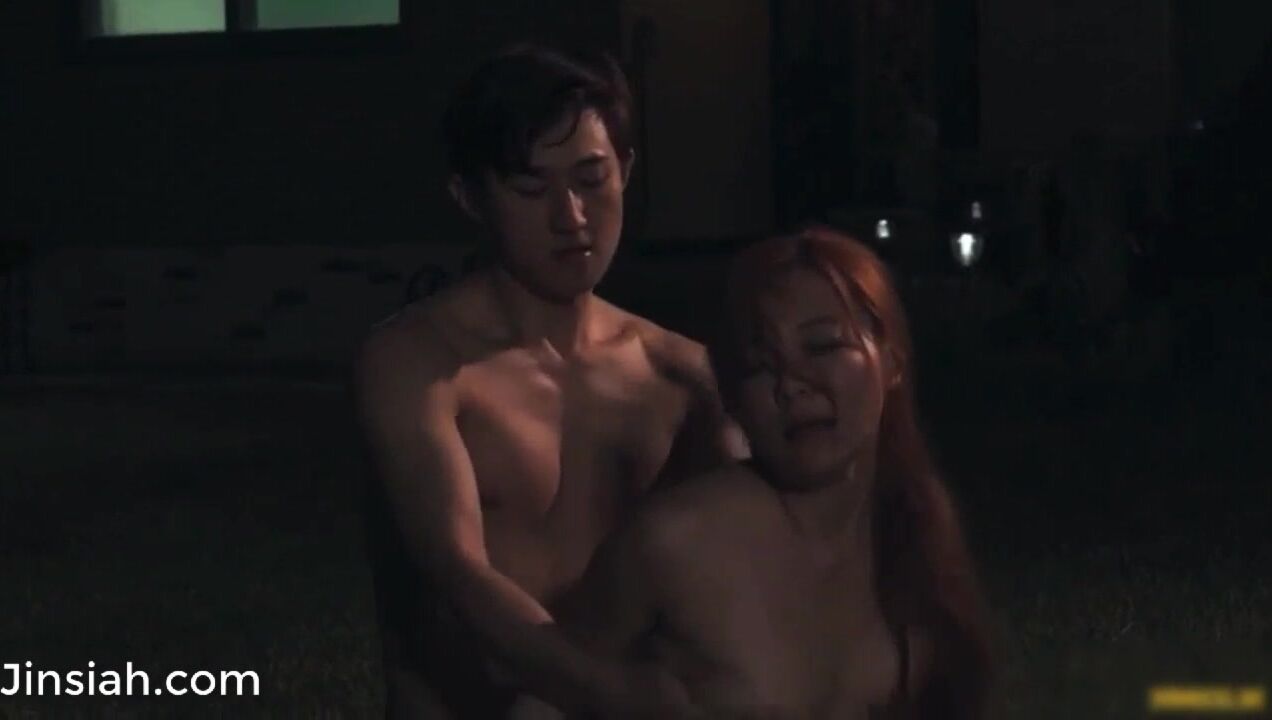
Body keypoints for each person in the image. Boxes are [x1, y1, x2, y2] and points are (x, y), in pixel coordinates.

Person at [354, 45, 744, 718]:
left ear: (625, 171)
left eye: (591, 179)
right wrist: (614, 695)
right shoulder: (417, 364)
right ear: (470, 197)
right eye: (532, 190)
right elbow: (458, 577)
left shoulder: (684, 376)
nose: (571, 217)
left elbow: (759, 560)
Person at [548, 227, 993, 719]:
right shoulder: (676, 544)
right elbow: (542, 698)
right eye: (760, 365)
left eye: (822, 345)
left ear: (890, 360)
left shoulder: (916, 531)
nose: (792, 383)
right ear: (734, 401)